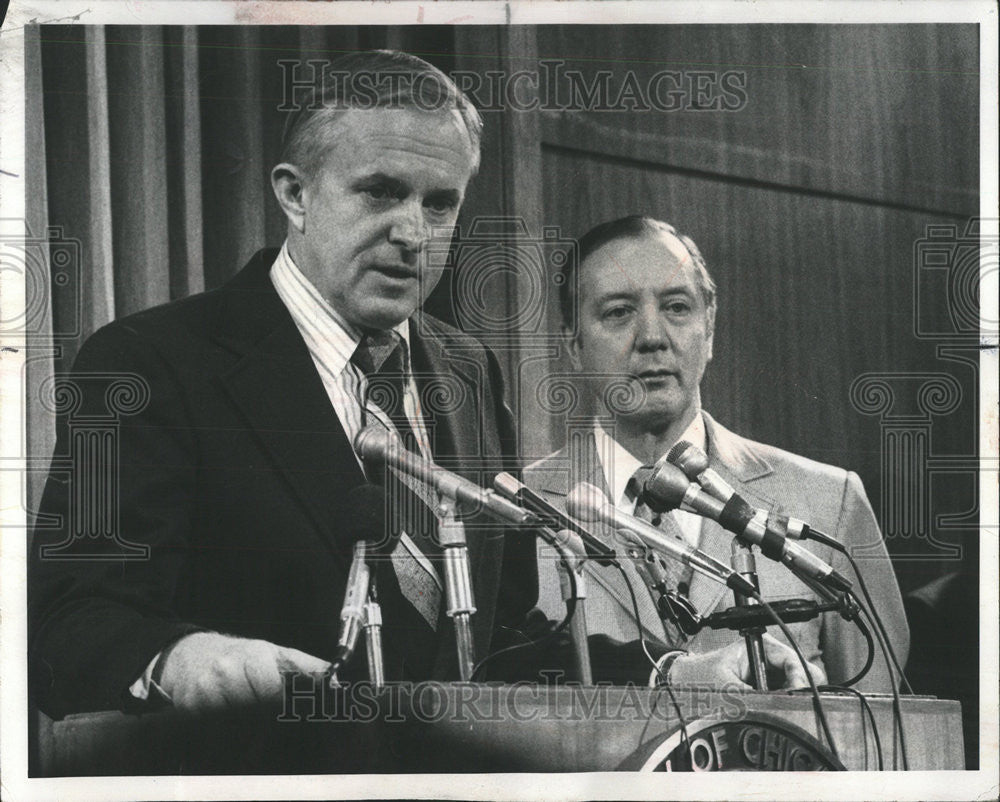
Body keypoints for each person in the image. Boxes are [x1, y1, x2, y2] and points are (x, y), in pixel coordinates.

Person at [29, 53, 818, 721]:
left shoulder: (468, 372)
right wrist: (180, 657)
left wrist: (666, 673)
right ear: (294, 194)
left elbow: (500, 639)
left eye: (440, 204)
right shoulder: (149, 362)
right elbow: (64, 621)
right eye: (380, 191)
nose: (413, 233)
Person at [525, 215, 910, 693]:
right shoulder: (517, 515)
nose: (652, 336)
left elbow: (885, 733)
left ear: (709, 329)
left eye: (677, 308)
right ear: (574, 347)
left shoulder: (831, 503)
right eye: (619, 312)